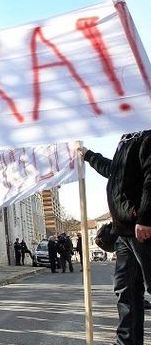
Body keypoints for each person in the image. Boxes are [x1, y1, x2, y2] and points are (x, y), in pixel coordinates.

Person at [80, 131, 151, 345]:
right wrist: (88, 155)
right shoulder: (127, 136)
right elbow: (115, 171)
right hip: (124, 231)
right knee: (125, 290)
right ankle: (126, 342)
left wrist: (146, 217)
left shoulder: (145, 133)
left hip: (142, 228)